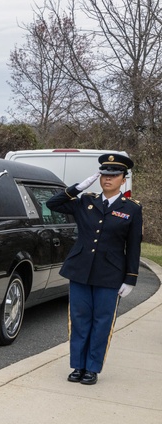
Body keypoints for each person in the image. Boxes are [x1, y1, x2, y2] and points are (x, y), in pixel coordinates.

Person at [47, 153, 142, 386]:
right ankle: (78, 365)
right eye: (104, 175)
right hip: (80, 271)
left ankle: (92, 367)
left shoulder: (131, 208)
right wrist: (77, 188)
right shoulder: (85, 201)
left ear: (123, 179)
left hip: (110, 275)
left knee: (102, 322)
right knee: (79, 319)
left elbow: (133, 245)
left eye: (114, 175)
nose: (108, 179)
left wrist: (131, 278)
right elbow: (52, 204)